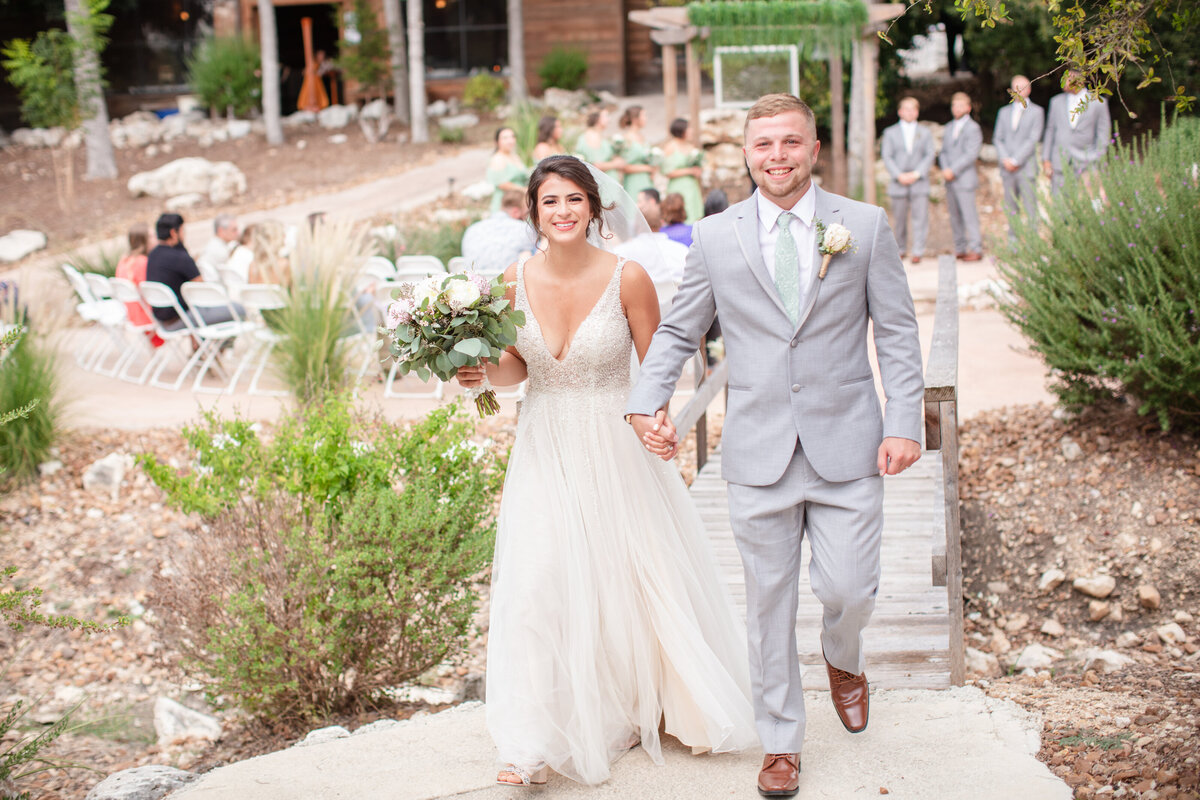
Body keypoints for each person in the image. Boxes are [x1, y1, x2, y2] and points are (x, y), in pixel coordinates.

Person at [626, 94, 924, 798]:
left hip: (850, 442)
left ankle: (843, 658)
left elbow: (899, 332)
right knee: (768, 604)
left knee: (848, 589)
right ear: (748, 154)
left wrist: (904, 418)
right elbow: (677, 333)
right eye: (764, 145)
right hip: (758, 450)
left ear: (814, 149)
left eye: (791, 142)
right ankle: (782, 742)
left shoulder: (865, 226)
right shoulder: (718, 236)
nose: (778, 156)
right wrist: (645, 402)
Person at [455, 155, 756, 787]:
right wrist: (481, 371)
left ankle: (629, 703)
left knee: (623, 578)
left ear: (593, 208)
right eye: (549, 202)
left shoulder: (630, 277)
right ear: (533, 213)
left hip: (614, 440)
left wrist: (656, 421)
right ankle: (530, 744)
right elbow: (518, 368)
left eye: (573, 200)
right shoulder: (515, 277)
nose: (562, 212)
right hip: (544, 442)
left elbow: (659, 365)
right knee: (536, 583)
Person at [146, 213, 242, 329]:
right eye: (182, 230)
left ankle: (204, 344)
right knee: (239, 310)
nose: (184, 234)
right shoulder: (180, 257)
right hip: (181, 318)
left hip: (161, 320)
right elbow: (201, 289)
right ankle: (217, 346)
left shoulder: (153, 255)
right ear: (173, 233)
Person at [880, 97, 934, 263]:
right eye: (906, 109)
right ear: (900, 111)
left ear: (917, 112)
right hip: (899, 181)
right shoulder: (890, 132)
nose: (909, 112)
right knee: (899, 219)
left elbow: (930, 154)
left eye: (913, 109)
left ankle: (918, 251)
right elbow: (887, 156)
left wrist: (917, 173)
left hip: (919, 180)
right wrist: (898, 175)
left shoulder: (925, 132)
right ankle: (900, 249)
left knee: (920, 218)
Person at [1042, 70, 1112, 195]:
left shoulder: (1098, 103)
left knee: (1085, 205)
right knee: (1059, 206)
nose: (1062, 82)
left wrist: (1096, 157)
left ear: (1078, 82)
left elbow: (1103, 133)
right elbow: (1050, 130)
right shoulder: (1056, 102)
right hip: (1059, 163)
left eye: (1067, 79)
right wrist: (1046, 159)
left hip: (1086, 163)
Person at [994, 74, 1045, 235]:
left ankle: (1032, 244)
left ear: (1029, 89)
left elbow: (1033, 139)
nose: (1018, 91)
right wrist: (1006, 160)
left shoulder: (1037, 111)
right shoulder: (1003, 112)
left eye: (1021, 87)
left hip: (1026, 167)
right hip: (1007, 168)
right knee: (1011, 207)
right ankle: (1013, 244)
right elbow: (998, 138)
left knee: (1030, 207)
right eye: (1015, 87)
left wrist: (1016, 160)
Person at [938, 92, 984, 261]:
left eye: (960, 105)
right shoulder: (949, 127)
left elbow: (971, 154)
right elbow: (943, 152)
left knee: (969, 214)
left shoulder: (973, 128)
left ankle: (976, 248)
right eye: (954, 105)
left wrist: (953, 170)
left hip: (964, 178)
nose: (956, 109)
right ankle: (960, 247)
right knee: (955, 215)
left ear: (968, 108)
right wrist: (945, 168)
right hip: (949, 178)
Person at [615, 191, 688, 286]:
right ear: (662, 222)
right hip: (674, 300)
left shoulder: (621, 253)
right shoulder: (682, 251)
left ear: (636, 224)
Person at [460, 190, 537, 277]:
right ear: (516, 212)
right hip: (508, 286)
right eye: (527, 214)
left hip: (474, 286)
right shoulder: (525, 229)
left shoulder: (472, 229)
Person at [115, 222, 162, 347]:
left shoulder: (124, 260)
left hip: (130, 314)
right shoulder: (143, 262)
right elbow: (149, 291)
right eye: (151, 236)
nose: (156, 239)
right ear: (143, 240)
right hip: (145, 315)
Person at [661, 118, 705, 223]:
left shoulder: (691, 147)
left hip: (692, 187)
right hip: (678, 187)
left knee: (694, 216)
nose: (691, 131)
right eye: (689, 128)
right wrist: (690, 171)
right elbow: (667, 172)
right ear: (681, 130)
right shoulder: (670, 147)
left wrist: (698, 170)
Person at [486, 127, 529, 214]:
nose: (510, 140)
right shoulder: (498, 158)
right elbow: (502, 183)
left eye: (512, 137)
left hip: (519, 202)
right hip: (505, 203)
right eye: (505, 138)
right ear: (497, 142)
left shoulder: (515, 156)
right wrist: (523, 189)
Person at [574, 109, 624, 182]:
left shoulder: (599, 135)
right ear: (597, 118)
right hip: (602, 182)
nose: (609, 119)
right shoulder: (592, 135)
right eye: (606, 116)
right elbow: (596, 165)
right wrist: (615, 164)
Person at [617, 105, 655, 197]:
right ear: (635, 119)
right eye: (644, 116)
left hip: (646, 180)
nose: (646, 119)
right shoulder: (626, 138)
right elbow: (623, 166)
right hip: (633, 181)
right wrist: (647, 168)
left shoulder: (642, 137)